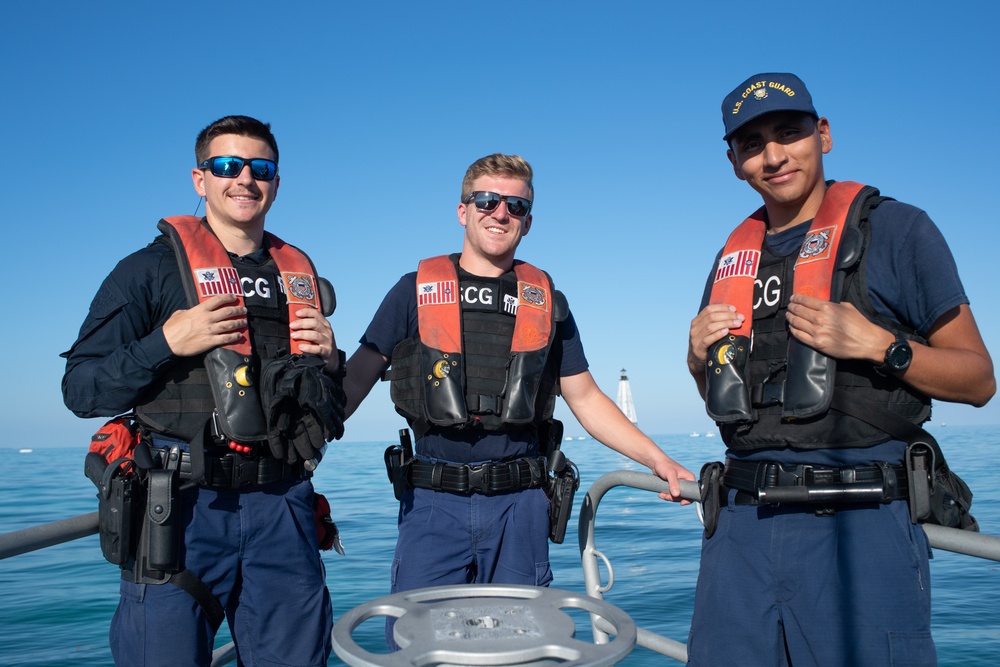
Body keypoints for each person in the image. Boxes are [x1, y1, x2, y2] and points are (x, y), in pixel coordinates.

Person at [686, 73, 995, 666]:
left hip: (862, 525)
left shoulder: (901, 231)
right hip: (739, 531)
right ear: (733, 162)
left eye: (789, 132)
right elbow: (723, 401)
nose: (774, 155)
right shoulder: (733, 258)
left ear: (822, 135)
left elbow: (979, 380)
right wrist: (695, 358)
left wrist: (882, 345)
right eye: (752, 145)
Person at [343, 153, 694, 636]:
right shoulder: (412, 291)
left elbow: (586, 397)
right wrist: (300, 456)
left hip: (521, 507)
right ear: (463, 210)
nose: (500, 212)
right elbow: (356, 378)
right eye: (486, 200)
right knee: (415, 644)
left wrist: (660, 461)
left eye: (516, 205)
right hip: (431, 503)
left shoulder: (547, 300)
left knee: (521, 646)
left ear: (528, 222)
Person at [62, 115, 344, 666]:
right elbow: (81, 390)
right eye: (226, 166)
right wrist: (167, 340)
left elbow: (324, 409)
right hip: (181, 511)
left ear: (276, 182)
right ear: (200, 180)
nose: (244, 178)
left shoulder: (297, 279)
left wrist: (331, 362)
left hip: (282, 507)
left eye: (260, 168)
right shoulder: (147, 271)